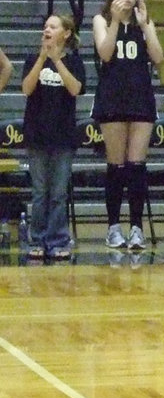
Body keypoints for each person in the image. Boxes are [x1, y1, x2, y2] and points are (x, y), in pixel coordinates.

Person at [92, 0, 164, 250]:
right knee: (116, 165)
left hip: (141, 98)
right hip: (112, 98)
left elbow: (158, 58)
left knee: (137, 165)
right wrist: (113, 21)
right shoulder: (101, 20)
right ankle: (113, 227)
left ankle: (136, 227)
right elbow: (106, 54)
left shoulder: (145, 23)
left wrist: (146, 26)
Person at [19, 16, 84, 260]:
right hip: (37, 135)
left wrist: (57, 59)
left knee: (58, 193)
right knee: (39, 192)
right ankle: (37, 239)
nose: (47, 29)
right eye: (45, 26)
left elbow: (75, 89)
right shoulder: (32, 59)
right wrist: (43, 59)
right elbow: (26, 88)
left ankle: (58, 240)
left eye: (53, 26)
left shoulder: (74, 62)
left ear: (66, 33)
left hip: (64, 137)